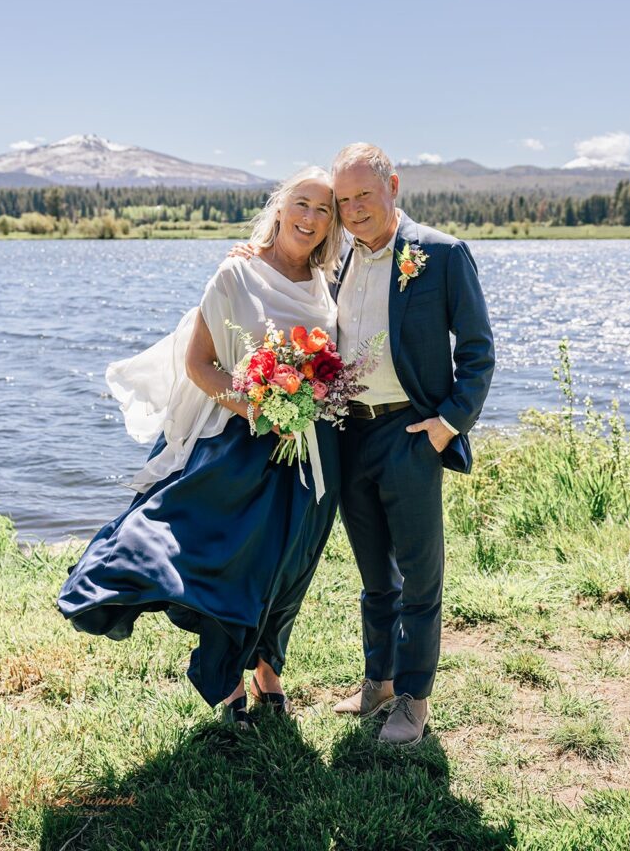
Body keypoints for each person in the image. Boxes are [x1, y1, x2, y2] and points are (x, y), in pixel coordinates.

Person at [57, 167, 343, 727]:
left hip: (308, 449)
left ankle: (269, 668)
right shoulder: (236, 273)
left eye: (324, 210)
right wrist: (259, 409)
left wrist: (302, 408)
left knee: (290, 566)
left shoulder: (326, 282)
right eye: (302, 204)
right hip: (240, 445)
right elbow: (198, 365)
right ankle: (226, 679)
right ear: (280, 206)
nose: (311, 218)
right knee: (229, 565)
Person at [330, 142, 495, 746]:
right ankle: (378, 681)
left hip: (411, 435)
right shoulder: (340, 259)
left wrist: (448, 425)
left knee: (421, 578)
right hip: (352, 433)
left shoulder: (443, 255)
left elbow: (478, 353)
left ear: (393, 185)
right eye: (343, 200)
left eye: (363, 196)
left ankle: (414, 701)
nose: (352, 210)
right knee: (376, 575)